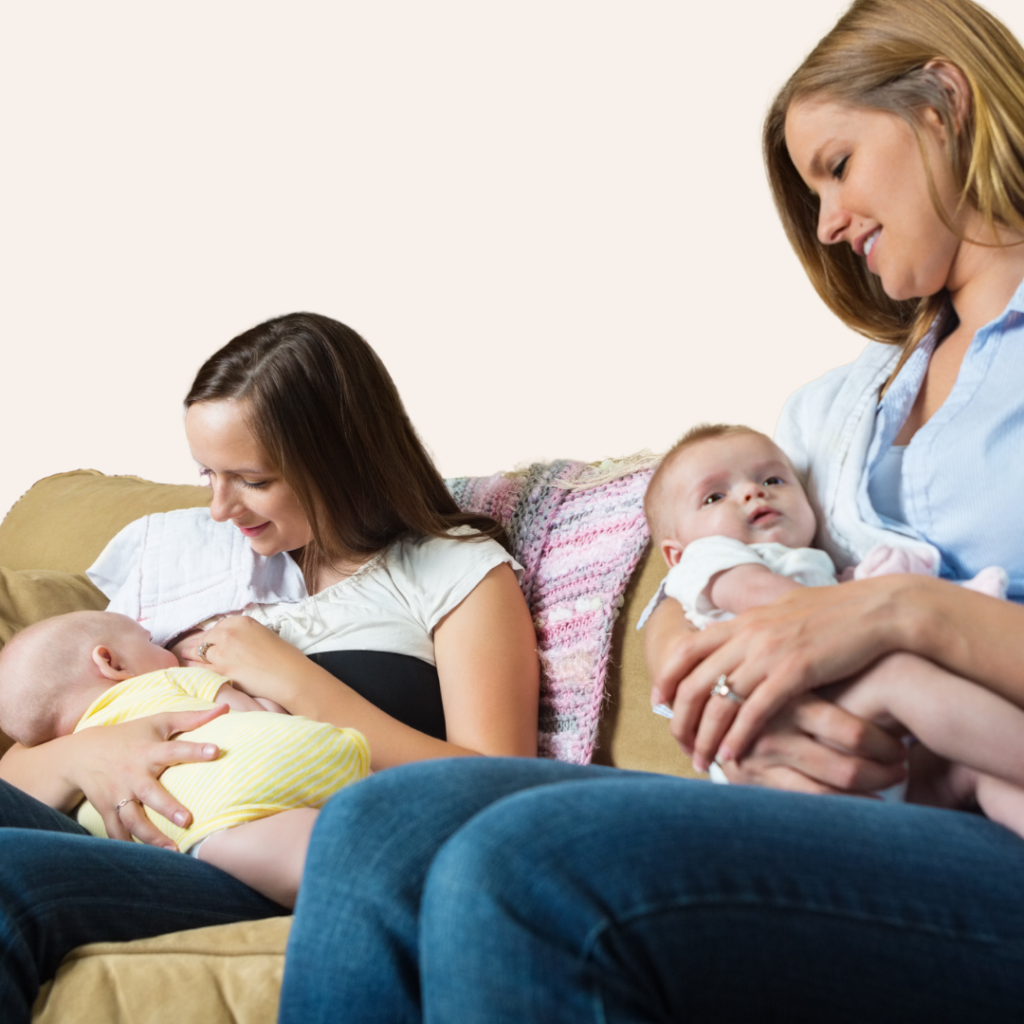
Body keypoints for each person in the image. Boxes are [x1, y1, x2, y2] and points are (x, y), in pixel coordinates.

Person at [268, 1, 1024, 1020]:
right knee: (381, 827)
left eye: (837, 166)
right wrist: (704, 663)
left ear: (943, 99)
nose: (829, 225)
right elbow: (698, 570)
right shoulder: (837, 405)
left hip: (994, 826)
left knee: (531, 865)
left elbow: (845, 611)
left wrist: (896, 615)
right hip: (846, 811)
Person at [0, 313, 539, 1021]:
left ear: (339, 459)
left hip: (254, 851)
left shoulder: (452, 571)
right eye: (208, 476)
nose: (219, 508)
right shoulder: (201, 564)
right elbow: (14, 775)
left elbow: (498, 790)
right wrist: (90, 754)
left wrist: (298, 683)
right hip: (116, 825)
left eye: (249, 479)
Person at [642, 421, 1024, 836]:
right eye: (715, 496)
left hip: (876, 765)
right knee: (900, 678)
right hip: (785, 753)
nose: (753, 491)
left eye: (772, 479)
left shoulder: (822, 566)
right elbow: (786, 605)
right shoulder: (709, 559)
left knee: (973, 771)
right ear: (675, 555)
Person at [0, 610, 370, 908]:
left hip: (193, 832)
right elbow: (253, 711)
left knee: (280, 852)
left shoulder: (69, 782)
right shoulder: (168, 681)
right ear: (111, 661)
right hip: (275, 763)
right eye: (150, 642)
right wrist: (267, 702)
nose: (169, 653)